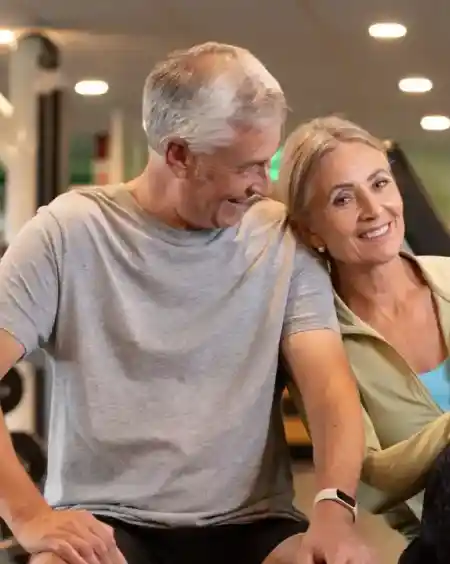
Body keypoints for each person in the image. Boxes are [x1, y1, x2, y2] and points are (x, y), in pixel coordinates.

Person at [0, 44, 373, 564]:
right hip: (106, 524)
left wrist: (335, 512)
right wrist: (27, 514)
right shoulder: (68, 233)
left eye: (268, 163)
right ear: (178, 154)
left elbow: (330, 389)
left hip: (254, 525)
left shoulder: (278, 239)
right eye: (246, 167)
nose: (261, 186)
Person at [277, 114, 450, 563]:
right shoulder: (317, 339)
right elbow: (373, 474)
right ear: (310, 230)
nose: (373, 210)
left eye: (379, 184)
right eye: (342, 199)